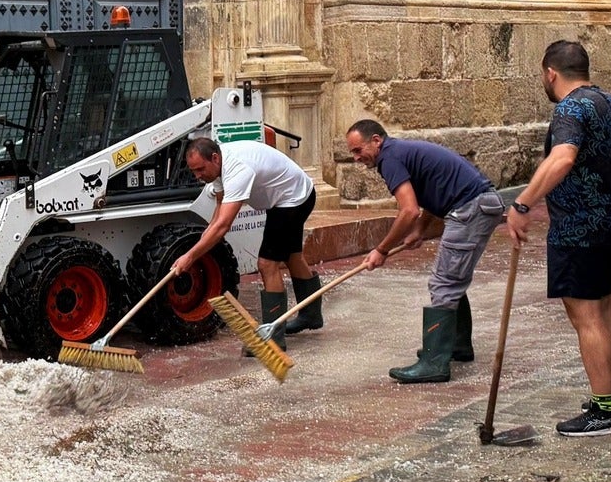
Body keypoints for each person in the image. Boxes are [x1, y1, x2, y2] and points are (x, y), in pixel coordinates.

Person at [507, 40, 611, 438]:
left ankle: (606, 411)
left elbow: (562, 157)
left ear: (551, 73)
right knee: (604, 303)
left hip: (580, 228)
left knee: (586, 315)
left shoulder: (569, 108)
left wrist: (524, 203)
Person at [345, 120, 507, 383]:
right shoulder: (401, 152)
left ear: (376, 140)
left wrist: (381, 250)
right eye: (352, 153)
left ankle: (434, 363)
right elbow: (435, 191)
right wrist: (420, 230)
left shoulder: (390, 158)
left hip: (470, 209)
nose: (356, 158)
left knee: (443, 282)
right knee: (452, 278)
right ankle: (456, 345)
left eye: (357, 150)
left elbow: (408, 210)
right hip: (476, 205)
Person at [173, 134, 323, 340]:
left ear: (214, 158)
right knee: (292, 256)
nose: (198, 176)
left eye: (200, 169)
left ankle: (273, 337)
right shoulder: (218, 166)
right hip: (287, 196)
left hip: (293, 199)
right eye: (193, 171)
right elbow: (218, 210)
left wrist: (189, 256)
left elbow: (223, 225)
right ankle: (311, 315)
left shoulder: (237, 170)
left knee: (267, 264)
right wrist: (201, 245)